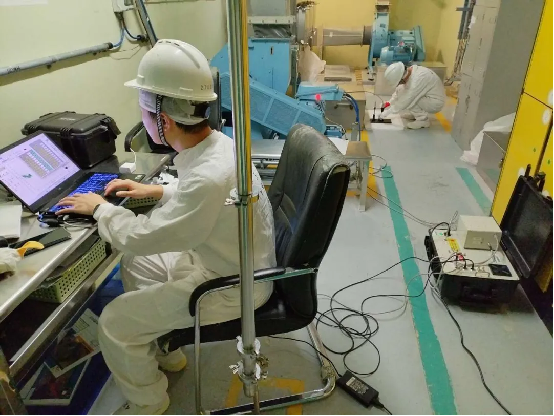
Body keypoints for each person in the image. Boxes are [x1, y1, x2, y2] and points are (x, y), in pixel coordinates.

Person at [55, 40, 276, 415]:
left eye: (144, 111)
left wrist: (100, 210)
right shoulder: (220, 146)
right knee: (136, 266)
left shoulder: (208, 174)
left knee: (114, 323)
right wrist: (157, 189)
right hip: (231, 263)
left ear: (164, 120)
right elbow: (202, 197)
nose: (142, 119)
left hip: (228, 287)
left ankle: (149, 402)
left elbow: (142, 237)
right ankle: (167, 351)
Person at [381, 62, 446, 129]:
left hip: (435, 102)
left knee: (410, 99)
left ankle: (423, 120)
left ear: (403, 77)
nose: (400, 84)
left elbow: (406, 100)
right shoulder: (409, 72)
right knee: (403, 90)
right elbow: (400, 90)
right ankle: (415, 114)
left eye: (400, 82)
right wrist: (389, 102)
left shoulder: (418, 79)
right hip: (427, 96)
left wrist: (387, 112)